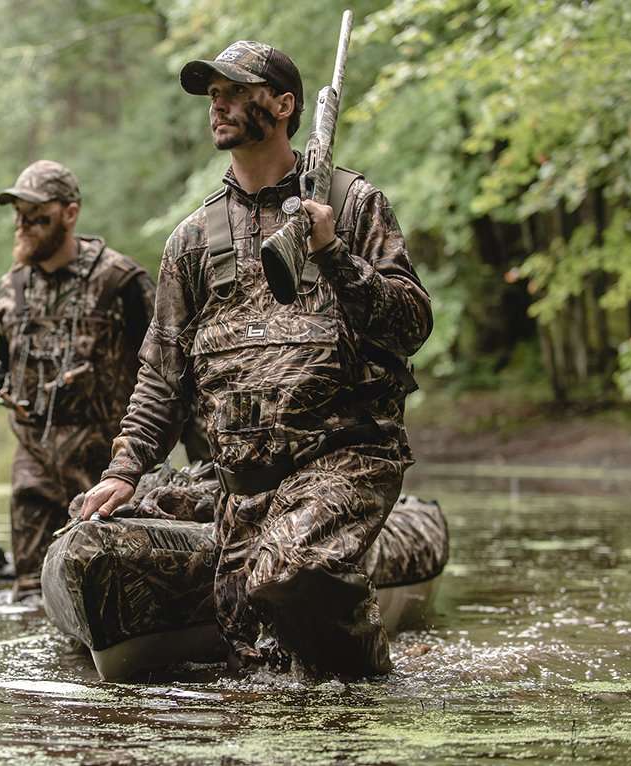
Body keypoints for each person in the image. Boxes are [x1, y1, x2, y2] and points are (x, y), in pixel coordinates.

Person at [78, 41, 433, 678]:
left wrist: (331, 253)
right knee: (263, 668)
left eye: (236, 91)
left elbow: (410, 324)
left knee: (290, 573)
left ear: (284, 104)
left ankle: (380, 692)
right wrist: (124, 470)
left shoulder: (353, 206)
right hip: (243, 485)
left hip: (345, 455)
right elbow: (162, 373)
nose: (219, 105)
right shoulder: (191, 240)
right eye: (212, 94)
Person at [0, 160, 155, 594]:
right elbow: (4, 371)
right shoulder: (11, 289)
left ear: (69, 214)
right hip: (34, 468)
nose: (23, 224)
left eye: (37, 214)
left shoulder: (121, 281)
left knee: (112, 590)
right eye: (17, 213)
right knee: (32, 591)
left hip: (109, 470)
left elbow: (166, 370)